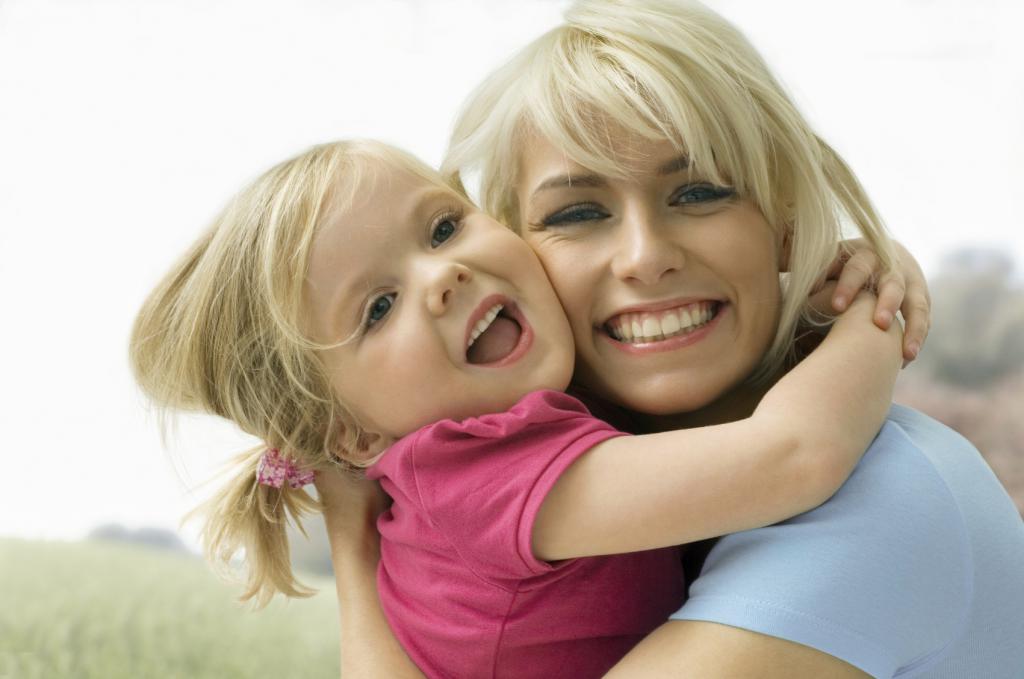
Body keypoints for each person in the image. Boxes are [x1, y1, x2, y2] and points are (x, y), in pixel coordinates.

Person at [320, 1, 1024, 677]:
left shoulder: (886, 507)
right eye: (579, 211)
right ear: (521, 250)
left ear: (782, 216)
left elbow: (796, 452)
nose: (643, 255)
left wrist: (870, 309)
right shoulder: (546, 471)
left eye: (699, 193)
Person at [129, 138, 900, 678]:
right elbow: (796, 455)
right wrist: (874, 309)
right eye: (378, 307)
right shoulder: (486, 473)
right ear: (352, 432)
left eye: (441, 226)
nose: (443, 275)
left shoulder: (459, 463)